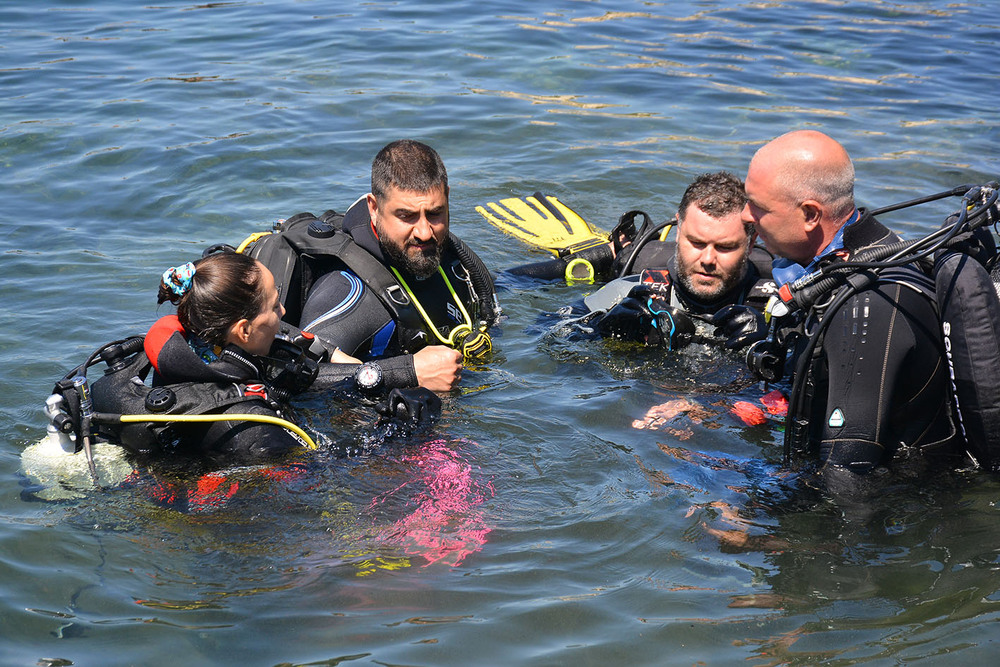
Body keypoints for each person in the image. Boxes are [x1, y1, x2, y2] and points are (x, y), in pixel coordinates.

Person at [740, 130, 959, 475]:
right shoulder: (854, 259)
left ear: (811, 215)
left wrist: (751, 522)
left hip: (907, 496)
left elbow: (847, 477)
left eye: (758, 206)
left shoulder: (867, 305)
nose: (744, 215)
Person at [248, 139, 500, 394]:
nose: (424, 232)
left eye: (435, 213)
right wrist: (407, 373)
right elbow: (289, 378)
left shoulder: (443, 252)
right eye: (406, 216)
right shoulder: (348, 293)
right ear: (374, 208)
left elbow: (494, 288)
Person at [513, 172, 776, 349]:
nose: (708, 259)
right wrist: (602, 327)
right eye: (696, 243)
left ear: (751, 243)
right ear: (678, 230)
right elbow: (540, 337)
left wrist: (770, 343)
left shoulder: (778, 306)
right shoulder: (633, 289)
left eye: (725, 247)